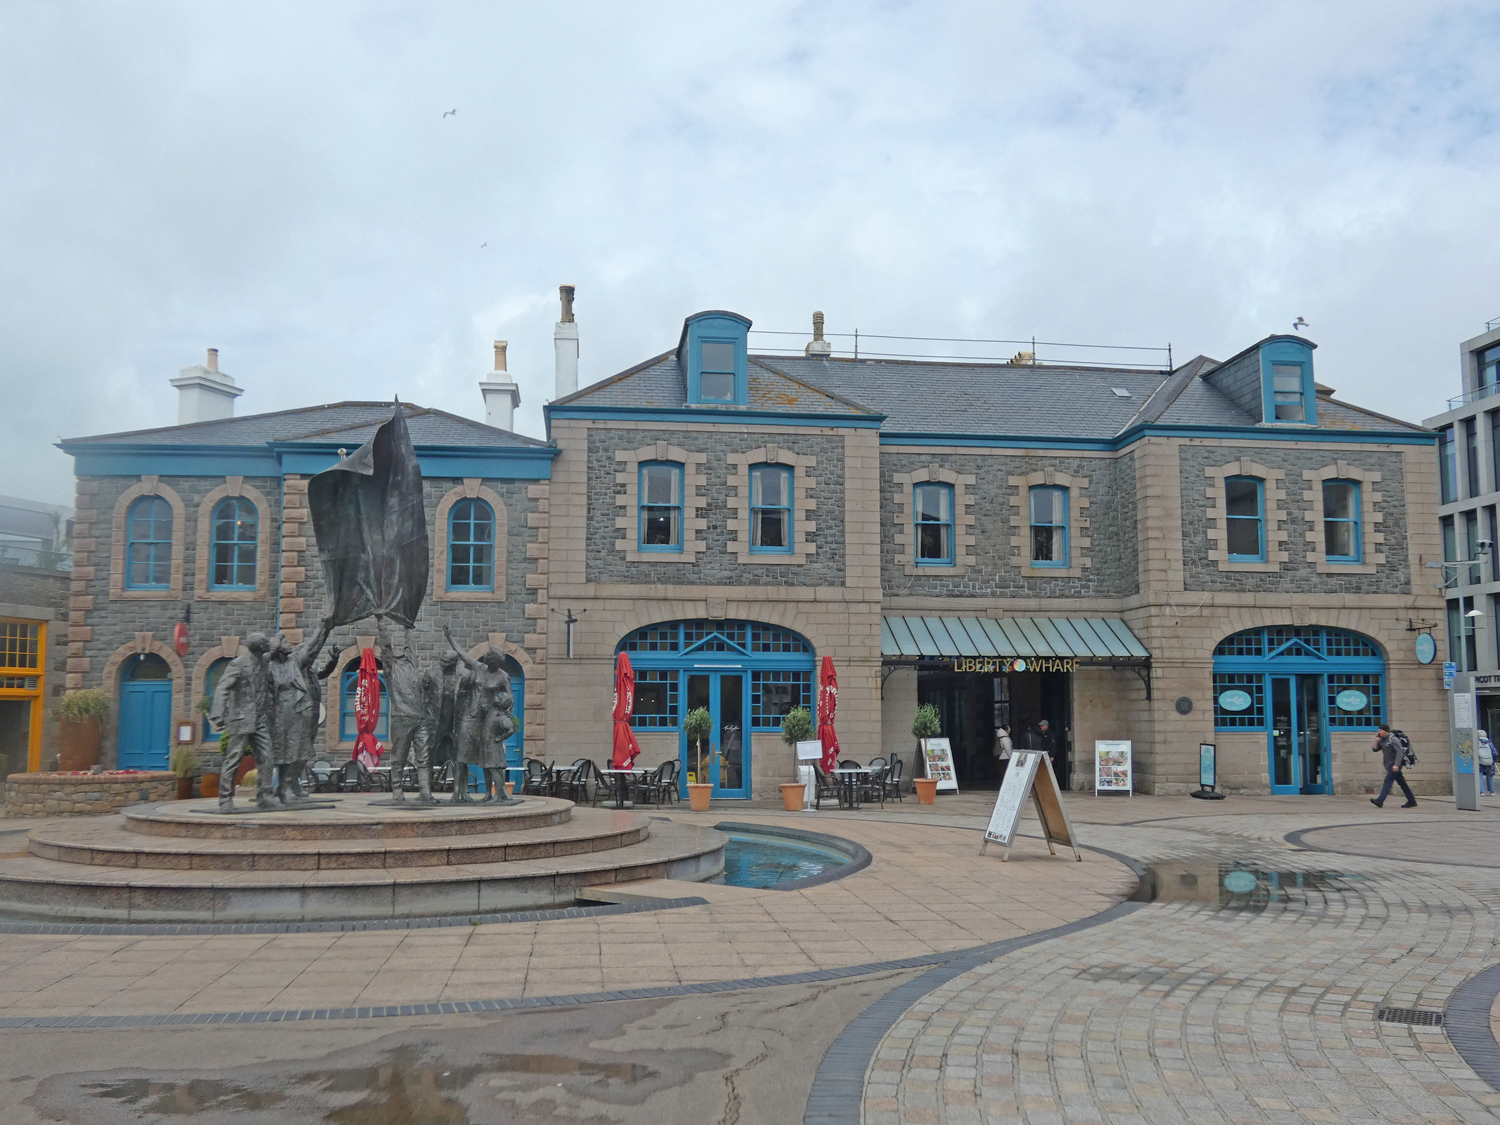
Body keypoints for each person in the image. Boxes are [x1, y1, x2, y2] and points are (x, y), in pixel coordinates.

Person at [209, 632, 276, 812]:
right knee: (233, 759)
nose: (268, 643)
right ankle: (225, 799)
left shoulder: (264, 661)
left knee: (267, 756)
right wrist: (218, 715)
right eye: (265, 642)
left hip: (260, 720)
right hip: (240, 719)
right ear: (259, 646)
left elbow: (277, 646)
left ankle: (265, 796)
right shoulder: (238, 664)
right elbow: (222, 688)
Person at [374, 614, 436, 804]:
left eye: (403, 649)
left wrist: (408, 623)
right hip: (401, 718)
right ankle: (397, 790)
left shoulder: (411, 663)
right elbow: (385, 646)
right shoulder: (390, 668)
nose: (401, 648)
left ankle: (425, 791)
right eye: (397, 649)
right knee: (399, 756)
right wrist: (381, 622)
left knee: (424, 757)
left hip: (421, 718)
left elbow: (410, 643)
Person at [1370, 722, 1417, 808]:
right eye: (1379, 730)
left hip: (1395, 765)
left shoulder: (1393, 739)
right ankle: (1412, 801)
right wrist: (1376, 740)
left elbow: (1400, 752)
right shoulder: (1382, 740)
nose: (1379, 732)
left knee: (1388, 781)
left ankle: (1380, 800)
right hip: (1389, 765)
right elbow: (1375, 749)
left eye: (1381, 730)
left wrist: (1396, 764)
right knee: (1402, 783)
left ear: (1386, 731)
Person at [1479, 729, 1497, 796]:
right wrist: (1493, 760)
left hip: (1480, 762)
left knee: (1480, 776)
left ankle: (1482, 791)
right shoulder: (1489, 743)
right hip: (1490, 762)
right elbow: (1495, 753)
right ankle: (1492, 791)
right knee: (1490, 776)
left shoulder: (1477, 743)